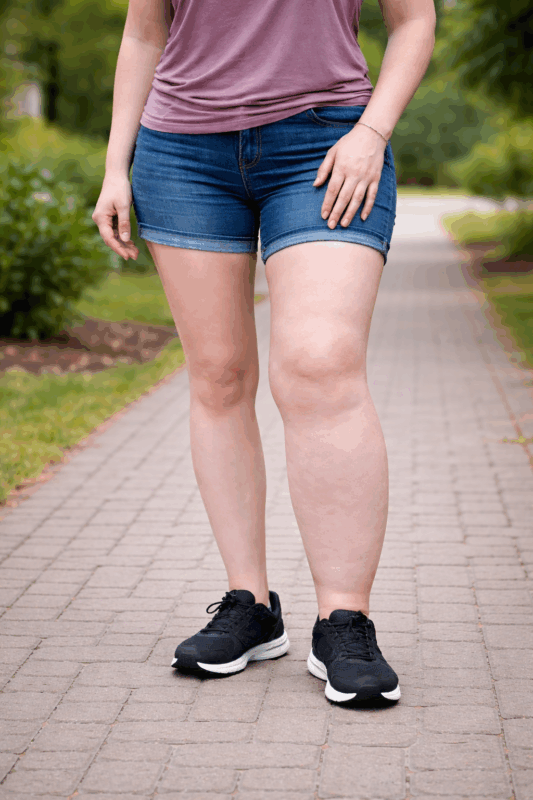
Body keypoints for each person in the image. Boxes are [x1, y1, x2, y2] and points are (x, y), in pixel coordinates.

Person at [92, 0, 436, 704]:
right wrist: (114, 167)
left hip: (326, 143)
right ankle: (248, 605)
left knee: (319, 364)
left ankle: (345, 618)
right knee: (217, 376)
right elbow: (143, 31)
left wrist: (373, 131)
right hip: (181, 151)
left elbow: (413, 20)